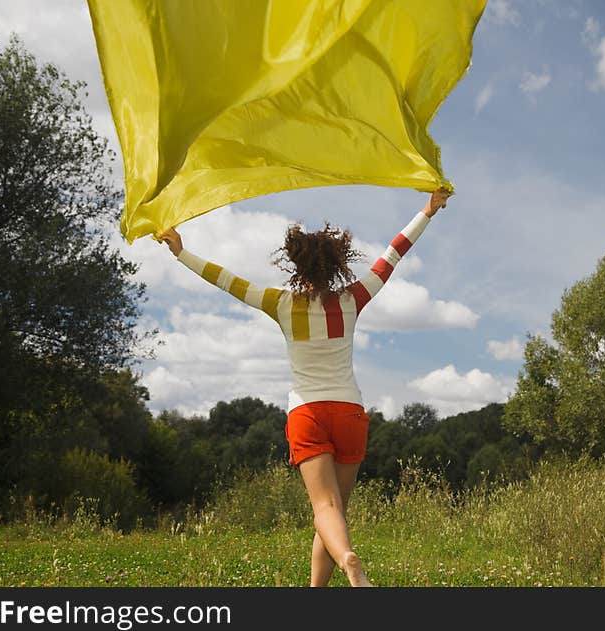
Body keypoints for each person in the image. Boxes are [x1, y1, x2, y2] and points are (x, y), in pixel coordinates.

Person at [159, 187, 451, 586]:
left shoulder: (281, 304)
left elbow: (226, 280)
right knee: (334, 511)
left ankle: (348, 558)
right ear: (337, 265)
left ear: (296, 265)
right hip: (349, 413)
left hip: (307, 415)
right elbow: (392, 255)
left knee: (325, 508)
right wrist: (427, 211)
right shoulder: (353, 298)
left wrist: (181, 253)